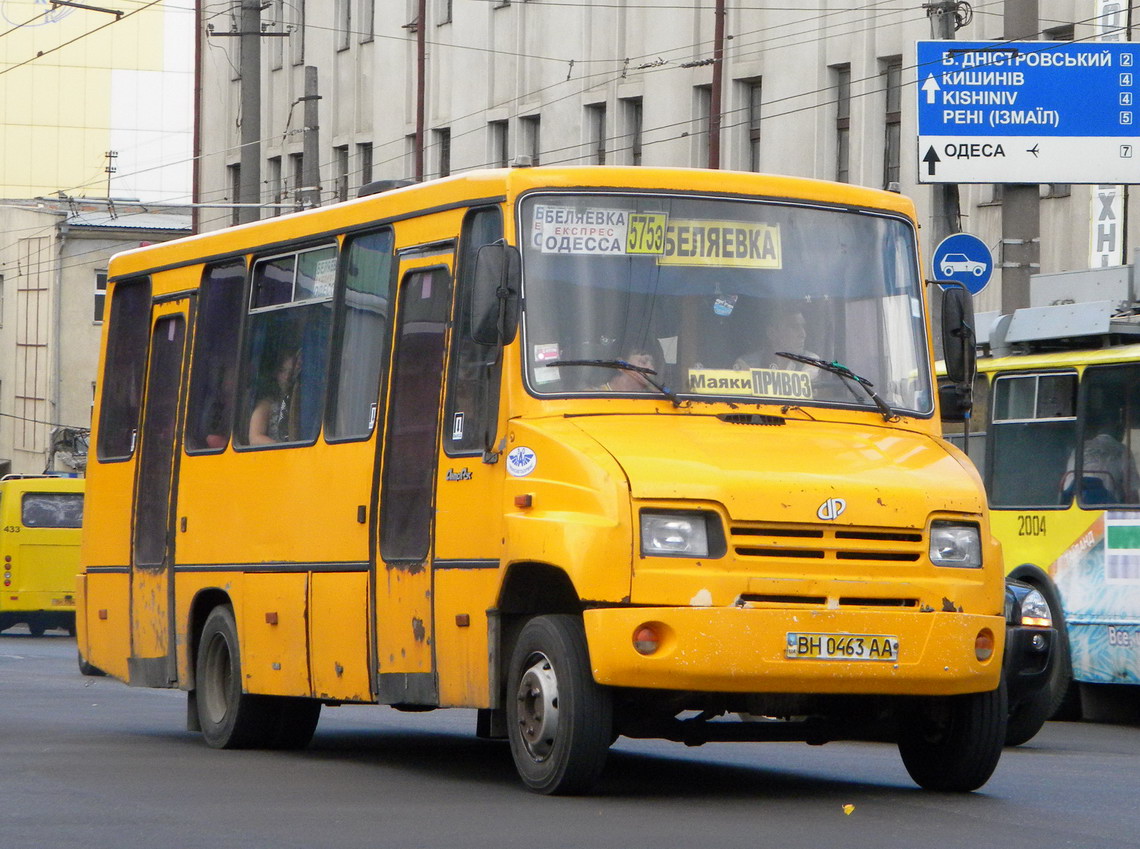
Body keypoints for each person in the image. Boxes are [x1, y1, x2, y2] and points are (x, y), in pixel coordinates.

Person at [734, 303, 819, 371]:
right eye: (794, 327)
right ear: (772, 333)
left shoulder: (811, 362)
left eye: (803, 327)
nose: (803, 334)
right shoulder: (747, 364)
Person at [248, 344, 300, 445]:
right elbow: (255, 438)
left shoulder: (302, 403)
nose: (287, 376)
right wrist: (283, 449)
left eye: (292, 372)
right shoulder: (267, 405)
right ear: (276, 374)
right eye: (282, 371)